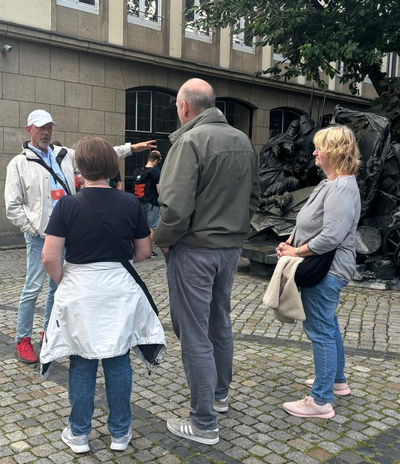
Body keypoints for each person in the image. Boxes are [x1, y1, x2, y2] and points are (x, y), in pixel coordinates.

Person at [40, 136, 166, 453]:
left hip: (79, 288)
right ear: (112, 166)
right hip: (119, 289)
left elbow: (49, 257)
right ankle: (120, 434)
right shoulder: (128, 203)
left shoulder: (66, 204)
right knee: (118, 358)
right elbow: (143, 251)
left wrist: (64, 281)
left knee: (82, 362)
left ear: (79, 168)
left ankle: (79, 434)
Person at [153, 78, 260, 445]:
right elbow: (255, 198)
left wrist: (162, 242)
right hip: (229, 249)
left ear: (184, 107)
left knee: (195, 332)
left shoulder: (190, 141)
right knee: (219, 322)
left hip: (194, 249)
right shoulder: (243, 140)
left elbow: (175, 208)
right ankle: (219, 395)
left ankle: (203, 422)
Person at [5, 109, 156, 364]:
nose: (46, 132)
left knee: (57, 287)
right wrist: (35, 229)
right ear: (29, 129)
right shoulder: (19, 164)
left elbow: (103, 155)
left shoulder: (63, 156)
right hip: (41, 236)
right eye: (41, 127)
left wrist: (134, 147)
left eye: (49, 127)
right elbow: (12, 206)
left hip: (68, 233)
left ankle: (49, 332)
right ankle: (23, 339)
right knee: (32, 288)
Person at [275, 125, 361, 419]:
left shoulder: (340, 188)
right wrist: (291, 242)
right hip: (324, 267)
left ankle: (321, 401)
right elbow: (314, 226)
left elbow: (331, 237)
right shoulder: (331, 183)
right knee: (328, 324)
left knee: (320, 330)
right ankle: (336, 381)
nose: (314, 152)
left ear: (335, 152)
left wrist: (296, 252)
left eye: (319, 147)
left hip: (328, 270)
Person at [133, 151, 161, 251]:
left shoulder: (137, 171)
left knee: (141, 227)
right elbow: (159, 189)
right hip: (152, 203)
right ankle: (148, 250)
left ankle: (139, 249)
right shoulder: (155, 173)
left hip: (139, 201)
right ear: (156, 160)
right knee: (151, 227)